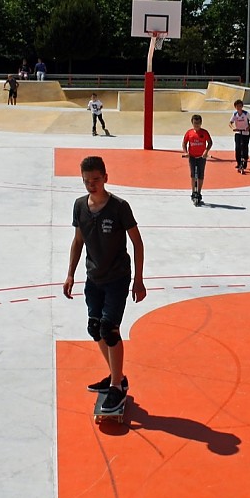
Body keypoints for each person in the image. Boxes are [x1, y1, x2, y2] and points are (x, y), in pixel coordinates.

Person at [62, 155, 147, 414]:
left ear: (106, 178)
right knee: (94, 328)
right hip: (93, 278)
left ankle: (116, 388)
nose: (91, 185)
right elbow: (78, 241)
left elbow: (137, 243)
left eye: (96, 180)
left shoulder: (119, 207)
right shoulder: (79, 206)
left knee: (110, 329)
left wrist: (139, 280)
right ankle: (116, 378)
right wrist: (70, 274)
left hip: (117, 278)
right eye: (87, 181)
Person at [182, 114, 213, 205]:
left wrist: (206, 151)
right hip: (192, 156)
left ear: (201, 123)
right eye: (195, 123)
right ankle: (193, 192)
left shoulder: (204, 132)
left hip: (201, 157)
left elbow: (210, 142)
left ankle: (199, 192)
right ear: (192, 123)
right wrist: (186, 152)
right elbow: (184, 143)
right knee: (192, 174)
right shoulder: (189, 133)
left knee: (200, 175)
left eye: (198, 123)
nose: (197, 125)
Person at [229, 99, 250, 174]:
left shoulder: (246, 114)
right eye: (237, 106)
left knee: (244, 146)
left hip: (245, 132)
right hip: (238, 132)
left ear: (242, 106)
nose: (239, 108)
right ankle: (238, 162)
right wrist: (233, 128)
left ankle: (245, 160)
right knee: (238, 147)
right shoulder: (235, 114)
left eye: (240, 106)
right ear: (235, 107)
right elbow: (230, 123)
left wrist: (248, 127)